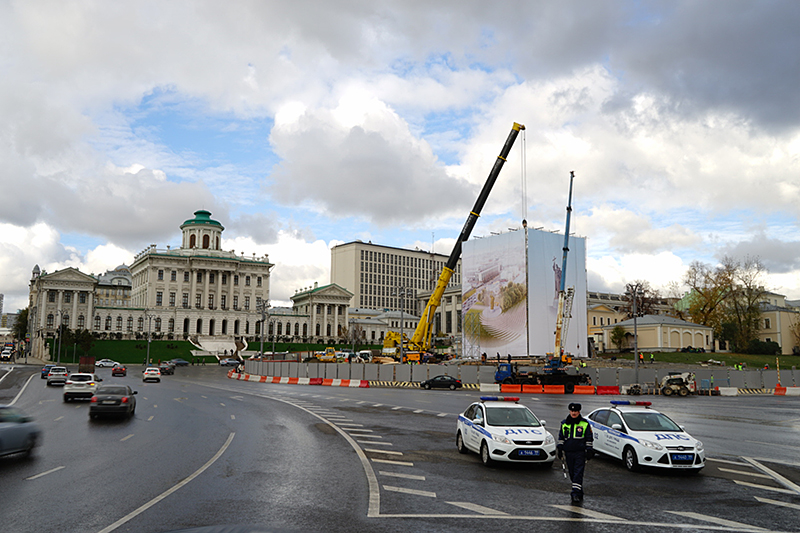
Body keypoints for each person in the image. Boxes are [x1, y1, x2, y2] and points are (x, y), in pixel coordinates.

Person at [557, 402, 594, 504]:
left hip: (579, 452)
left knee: (578, 473)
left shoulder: (584, 423)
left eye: (575, 411)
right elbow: (561, 437)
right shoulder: (564, 423)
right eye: (572, 411)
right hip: (568, 452)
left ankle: (575, 494)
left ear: (579, 412)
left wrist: (589, 449)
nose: (573, 413)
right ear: (570, 411)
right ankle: (579, 491)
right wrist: (559, 449)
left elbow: (589, 438)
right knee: (573, 474)